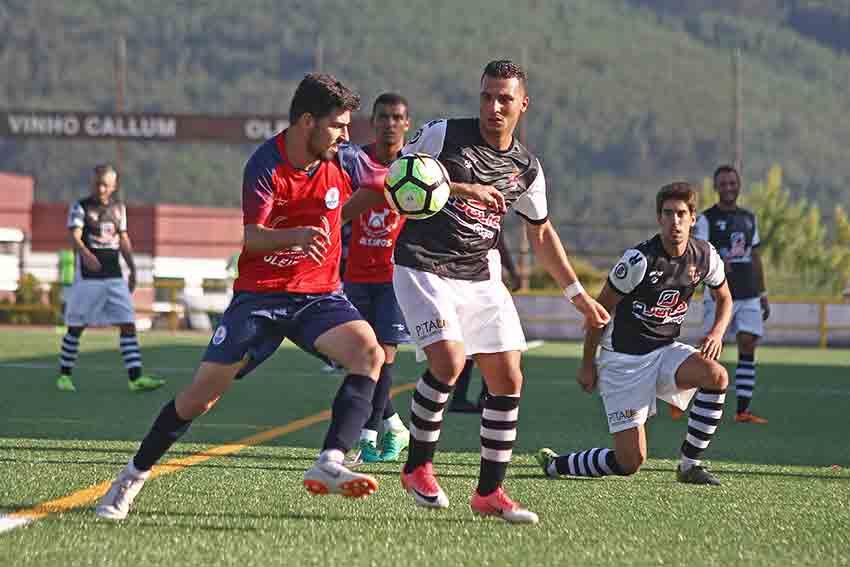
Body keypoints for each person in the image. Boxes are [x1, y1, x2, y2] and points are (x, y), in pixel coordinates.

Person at [95, 74, 389, 520]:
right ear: (307, 121)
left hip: (319, 296)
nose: (347, 136)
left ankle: (331, 460)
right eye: (338, 125)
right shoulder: (264, 164)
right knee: (199, 398)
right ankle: (130, 478)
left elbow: (391, 182)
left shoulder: (346, 161)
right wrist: (300, 235)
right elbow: (252, 238)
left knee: (369, 351)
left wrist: (454, 188)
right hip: (260, 299)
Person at [351, 60, 610, 524]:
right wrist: (462, 187)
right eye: (487, 96)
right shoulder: (442, 134)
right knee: (449, 362)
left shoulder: (528, 170)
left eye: (504, 98)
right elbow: (396, 179)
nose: (494, 106)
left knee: (508, 378)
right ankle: (417, 467)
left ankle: (489, 492)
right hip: (423, 265)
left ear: (522, 105)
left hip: (481, 275)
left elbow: (542, 234)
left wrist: (578, 296)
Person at [536, 182, 733, 486]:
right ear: (659, 218)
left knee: (716, 376)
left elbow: (725, 298)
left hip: (665, 350)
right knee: (630, 462)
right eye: (668, 214)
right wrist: (587, 363)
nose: (675, 221)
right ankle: (556, 464)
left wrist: (717, 333)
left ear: (693, 218)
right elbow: (599, 313)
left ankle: (689, 465)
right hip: (623, 362)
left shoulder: (704, 255)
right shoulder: (639, 261)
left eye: (681, 214)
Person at [340, 93, 413, 463]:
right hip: (354, 273)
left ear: (407, 123)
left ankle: (367, 437)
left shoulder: (416, 167)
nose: (389, 123)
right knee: (358, 356)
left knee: (382, 357)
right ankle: (395, 424)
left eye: (396, 117)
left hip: (394, 276)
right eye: (382, 116)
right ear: (373, 121)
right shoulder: (354, 161)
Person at [57, 164, 165, 393]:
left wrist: (133, 268)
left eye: (105, 184)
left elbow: (123, 239)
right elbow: (74, 237)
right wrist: (86, 255)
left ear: (114, 186)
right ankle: (64, 375)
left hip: (115, 276)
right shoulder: (81, 207)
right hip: (88, 278)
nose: (101, 188)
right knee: (76, 326)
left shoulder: (118, 209)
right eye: (97, 183)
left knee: (127, 324)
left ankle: (135, 379)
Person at [694, 165, 769, 424]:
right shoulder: (706, 219)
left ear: (738, 186)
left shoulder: (749, 218)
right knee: (711, 348)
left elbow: (756, 256)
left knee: (748, 343)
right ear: (716, 188)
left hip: (748, 294)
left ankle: (742, 411)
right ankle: (685, 398)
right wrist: (714, 266)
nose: (728, 188)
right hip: (719, 294)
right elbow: (700, 252)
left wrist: (763, 293)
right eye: (723, 184)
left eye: (732, 183)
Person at [448, 236, 520, 413]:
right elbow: (499, 240)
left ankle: (469, 397)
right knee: (492, 343)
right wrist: (512, 270)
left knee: (477, 343)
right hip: (477, 278)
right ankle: (482, 398)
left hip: (465, 276)